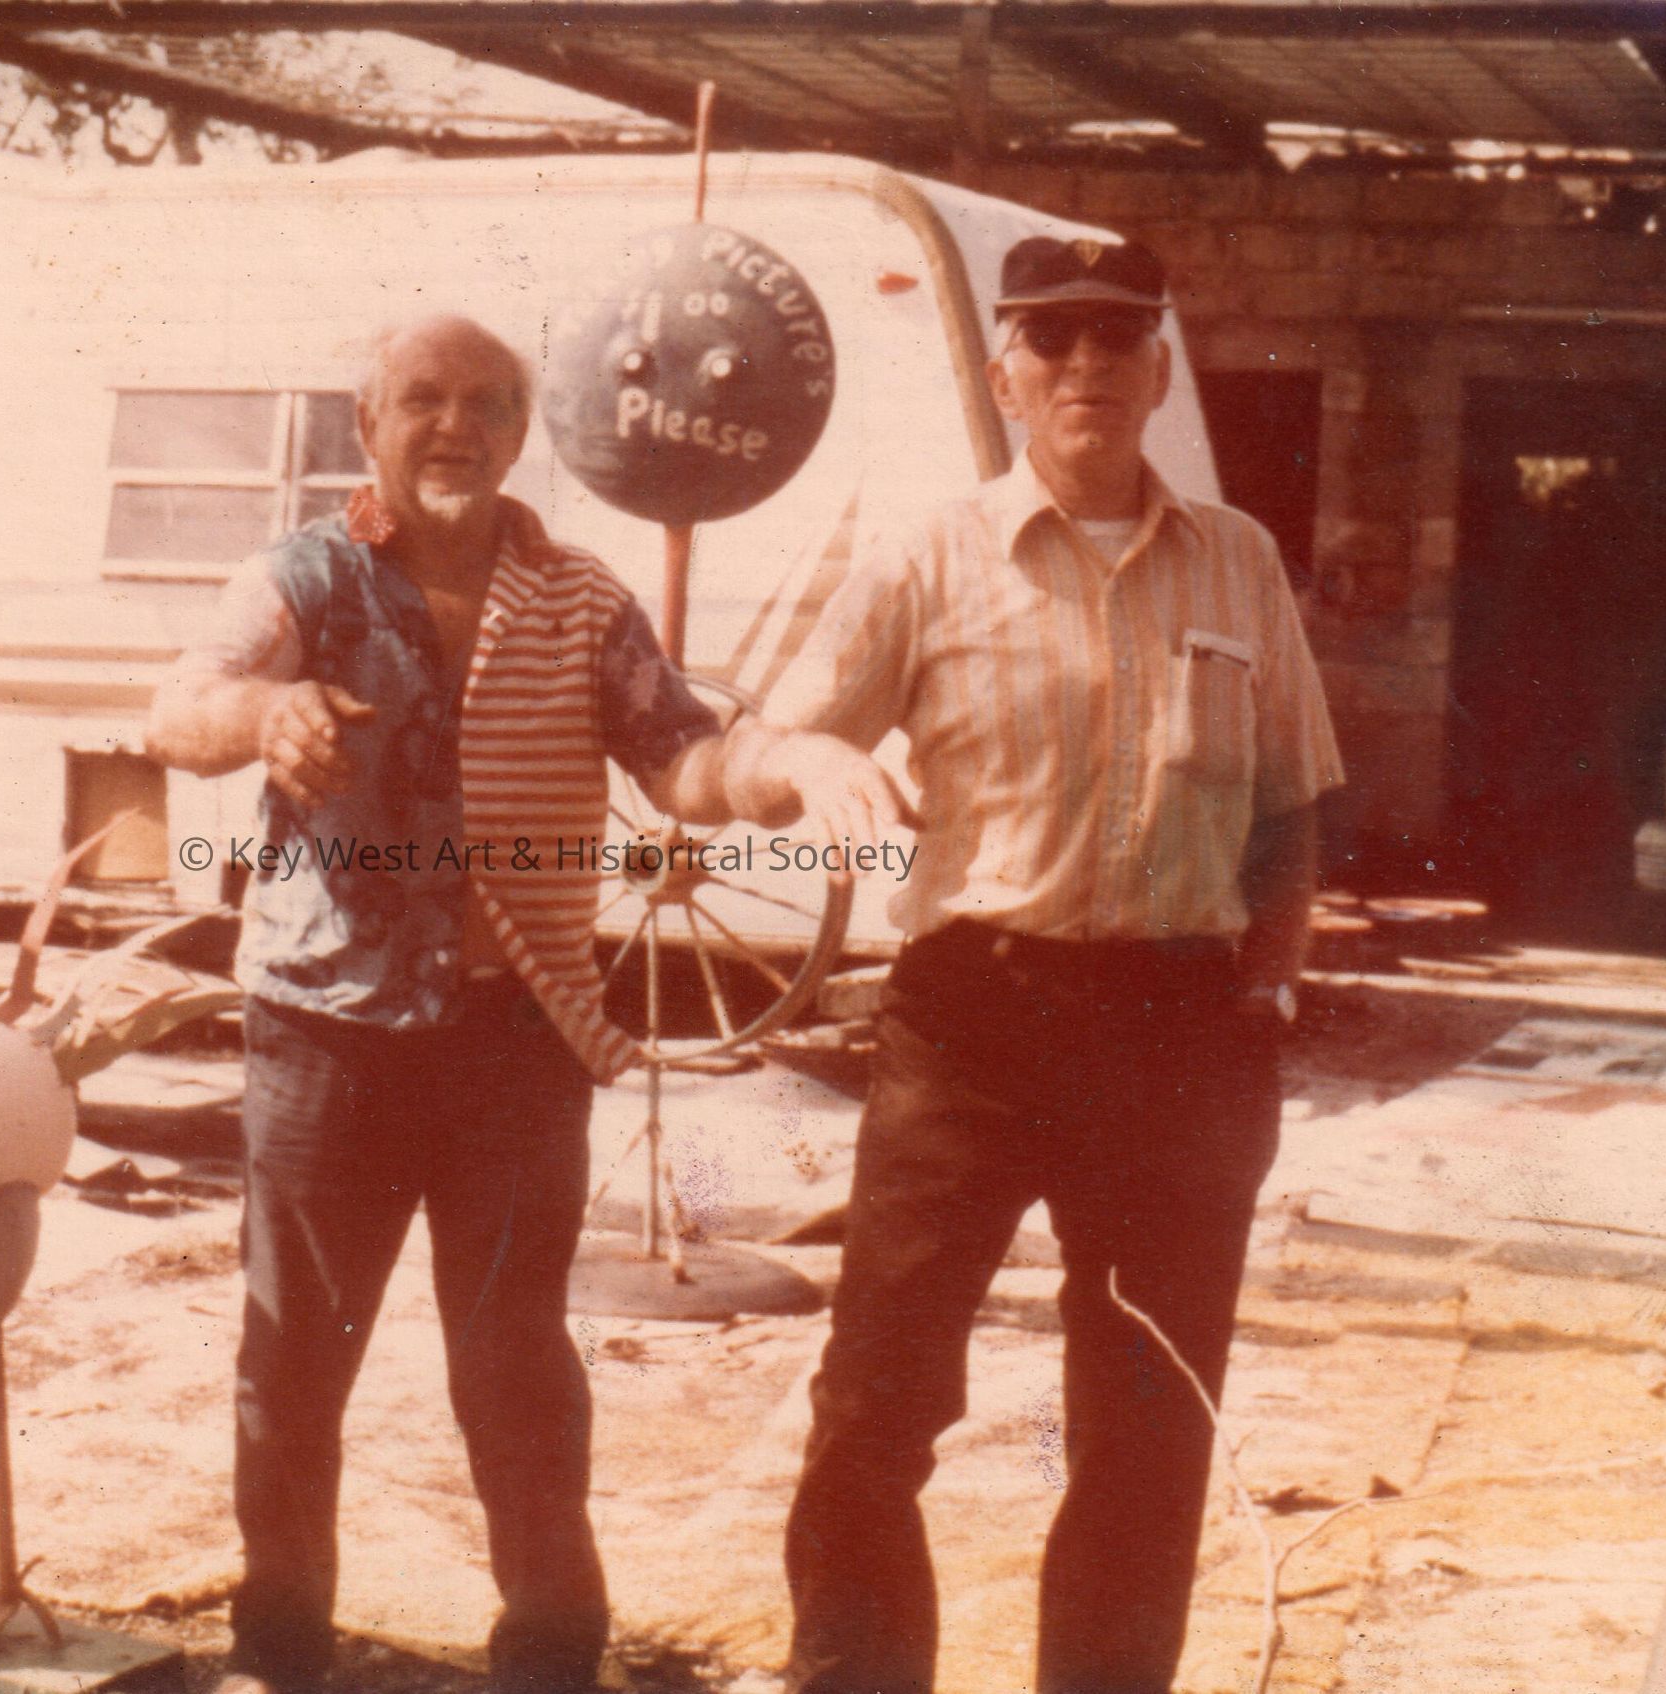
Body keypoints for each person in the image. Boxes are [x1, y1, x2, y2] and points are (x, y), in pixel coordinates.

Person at [145, 313, 899, 1694]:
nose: (457, 427)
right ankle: (280, 1648)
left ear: (522, 430)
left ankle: (551, 1656)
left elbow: (683, 755)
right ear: (368, 424)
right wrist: (265, 717)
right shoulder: (307, 578)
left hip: (516, 1042)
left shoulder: (579, 598)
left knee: (516, 1368)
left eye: (490, 402)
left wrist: (789, 768)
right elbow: (179, 708)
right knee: (294, 1363)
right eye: (424, 399)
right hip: (326, 1040)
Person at [738, 237, 1345, 1694]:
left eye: (1115, 338)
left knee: (1149, 1419)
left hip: (1180, 1036)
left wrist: (1267, 983)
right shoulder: (927, 556)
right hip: (972, 1024)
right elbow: (774, 741)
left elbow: (1290, 804)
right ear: (1004, 377)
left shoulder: (1240, 558)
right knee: (878, 1402)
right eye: (1051, 339)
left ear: (1159, 371)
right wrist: (811, 762)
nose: (1085, 365)